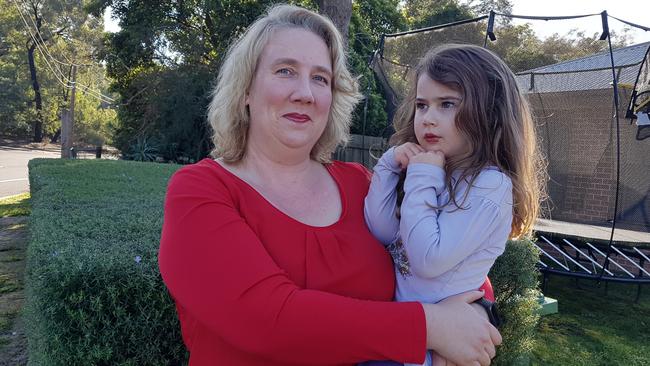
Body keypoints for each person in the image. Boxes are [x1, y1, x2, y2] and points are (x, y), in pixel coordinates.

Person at [158, 5, 501, 366]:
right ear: (246, 90)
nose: (305, 93)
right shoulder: (200, 190)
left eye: (320, 78)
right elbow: (266, 321)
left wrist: (475, 314)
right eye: (285, 71)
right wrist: (430, 327)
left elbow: (454, 258)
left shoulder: (361, 186)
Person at [364, 44, 544, 366]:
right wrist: (390, 165)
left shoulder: (488, 185)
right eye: (422, 105)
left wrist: (421, 177)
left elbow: (427, 259)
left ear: (489, 113)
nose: (428, 119)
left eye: (446, 104)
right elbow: (383, 230)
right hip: (410, 330)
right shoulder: (436, 169)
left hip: (433, 352)